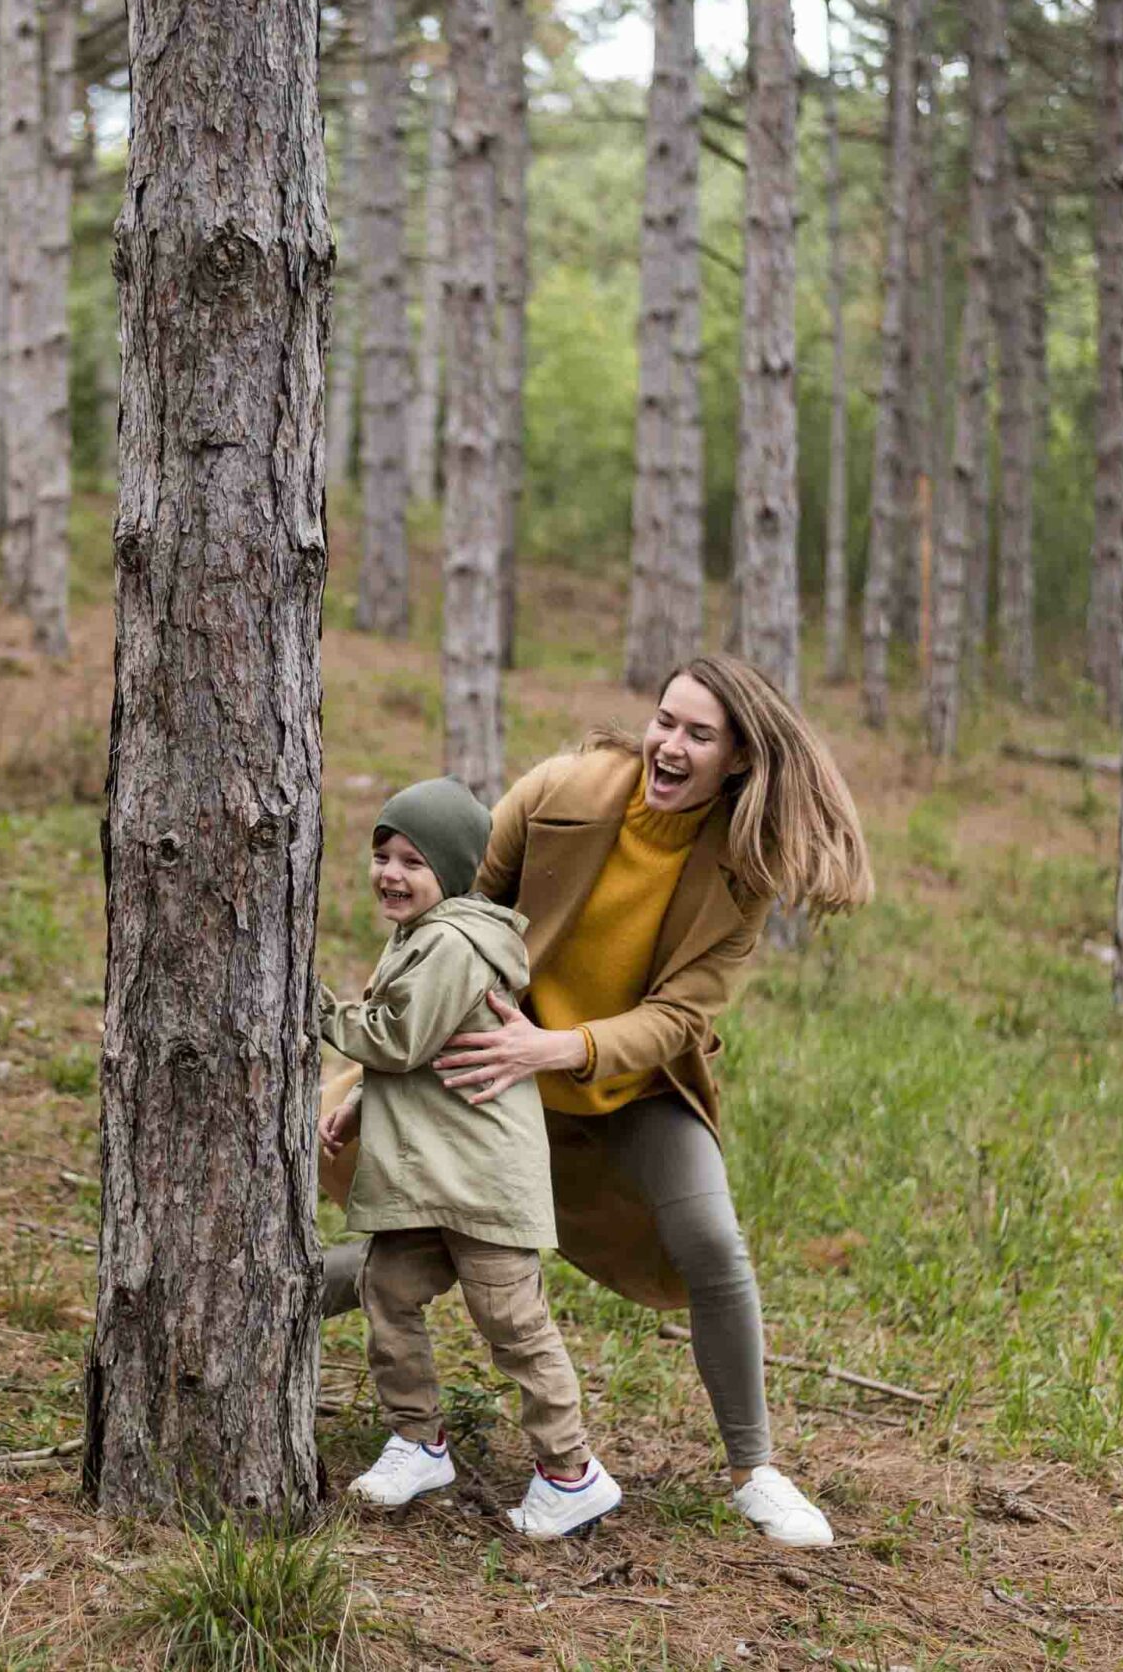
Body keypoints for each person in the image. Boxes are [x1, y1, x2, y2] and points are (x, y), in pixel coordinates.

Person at [319, 655, 875, 1548]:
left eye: (700, 734)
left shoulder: (742, 871)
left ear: (737, 757)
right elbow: (442, 933)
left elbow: (677, 1018)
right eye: (666, 721)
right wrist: (367, 1084)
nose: (671, 743)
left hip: (628, 1086)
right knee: (419, 1244)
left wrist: (561, 1046)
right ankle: (253, 1329)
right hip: (495, 1075)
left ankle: (755, 1470)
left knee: (711, 1242)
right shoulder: (560, 793)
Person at [316, 777, 623, 1539]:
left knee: (512, 1324)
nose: (390, 873)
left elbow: (399, 1037)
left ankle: (570, 1472)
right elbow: (421, 1055)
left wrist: (312, 1007)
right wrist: (359, 1105)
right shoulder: (422, 935)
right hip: (432, 1180)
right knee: (388, 1287)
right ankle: (419, 1440)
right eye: (382, 854)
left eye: (413, 861)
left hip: (481, 1183)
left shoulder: (453, 941)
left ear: (450, 873)